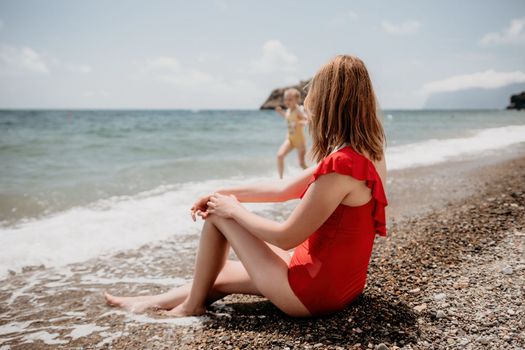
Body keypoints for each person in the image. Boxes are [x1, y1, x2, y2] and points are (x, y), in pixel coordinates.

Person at [105, 54, 388, 317]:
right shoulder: (368, 153)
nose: (308, 104)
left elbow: (286, 236)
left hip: (313, 294)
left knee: (217, 214)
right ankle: (146, 302)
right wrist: (224, 191)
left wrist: (231, 209)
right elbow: (283, 189)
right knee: (219, 273)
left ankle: (192, 306)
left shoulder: (340, 167)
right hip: (343, 283)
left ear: (329, 103)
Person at [275, 88, 309, 178]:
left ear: (297, 100)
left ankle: (312, 177)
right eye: (285, 99)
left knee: (301, 164)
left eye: (290, 99)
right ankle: (280, 179)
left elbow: (306, 118)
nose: (287, 102)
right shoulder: (289, 111)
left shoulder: (298, 110)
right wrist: (280, 112)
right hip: (290, 139)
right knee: (280, 156)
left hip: (300, 141)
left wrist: (304, 122)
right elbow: (287, 117)